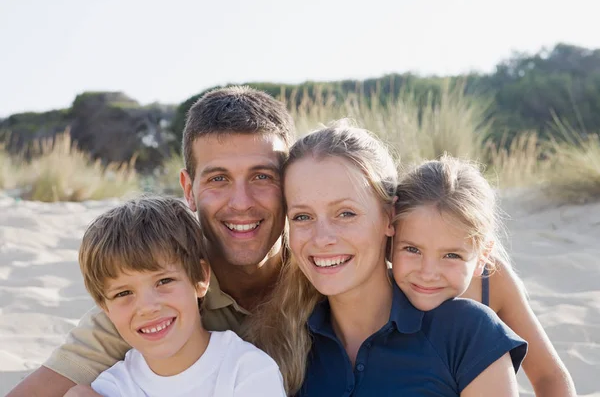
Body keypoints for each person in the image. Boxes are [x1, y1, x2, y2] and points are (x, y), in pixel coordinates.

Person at [6, 86, 295, 397]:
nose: (241, 202)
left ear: (292, 184)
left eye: (262, 176)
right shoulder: (150, 287)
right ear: (188, 189)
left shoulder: (324, 270)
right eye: (218, 179)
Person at [245, 124, 527, 396]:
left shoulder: (467, 332)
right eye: (302, 217)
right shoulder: (277, 345)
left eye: (345, 213)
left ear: (389, 217)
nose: (321, 239)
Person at [392, 155, 576, 396]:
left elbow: (549, 376)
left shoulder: (493, 281)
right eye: (412, 249)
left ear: (482, 255)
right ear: (389, 240)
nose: (428, 273)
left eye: (451, 256)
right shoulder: (377, 282)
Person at [78, 196, 285, 396]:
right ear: (104, 307)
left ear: (201, 278)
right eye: (123, 293)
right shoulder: (111, 388)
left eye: (164, 281)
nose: (148, 307)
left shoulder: (247, 371)